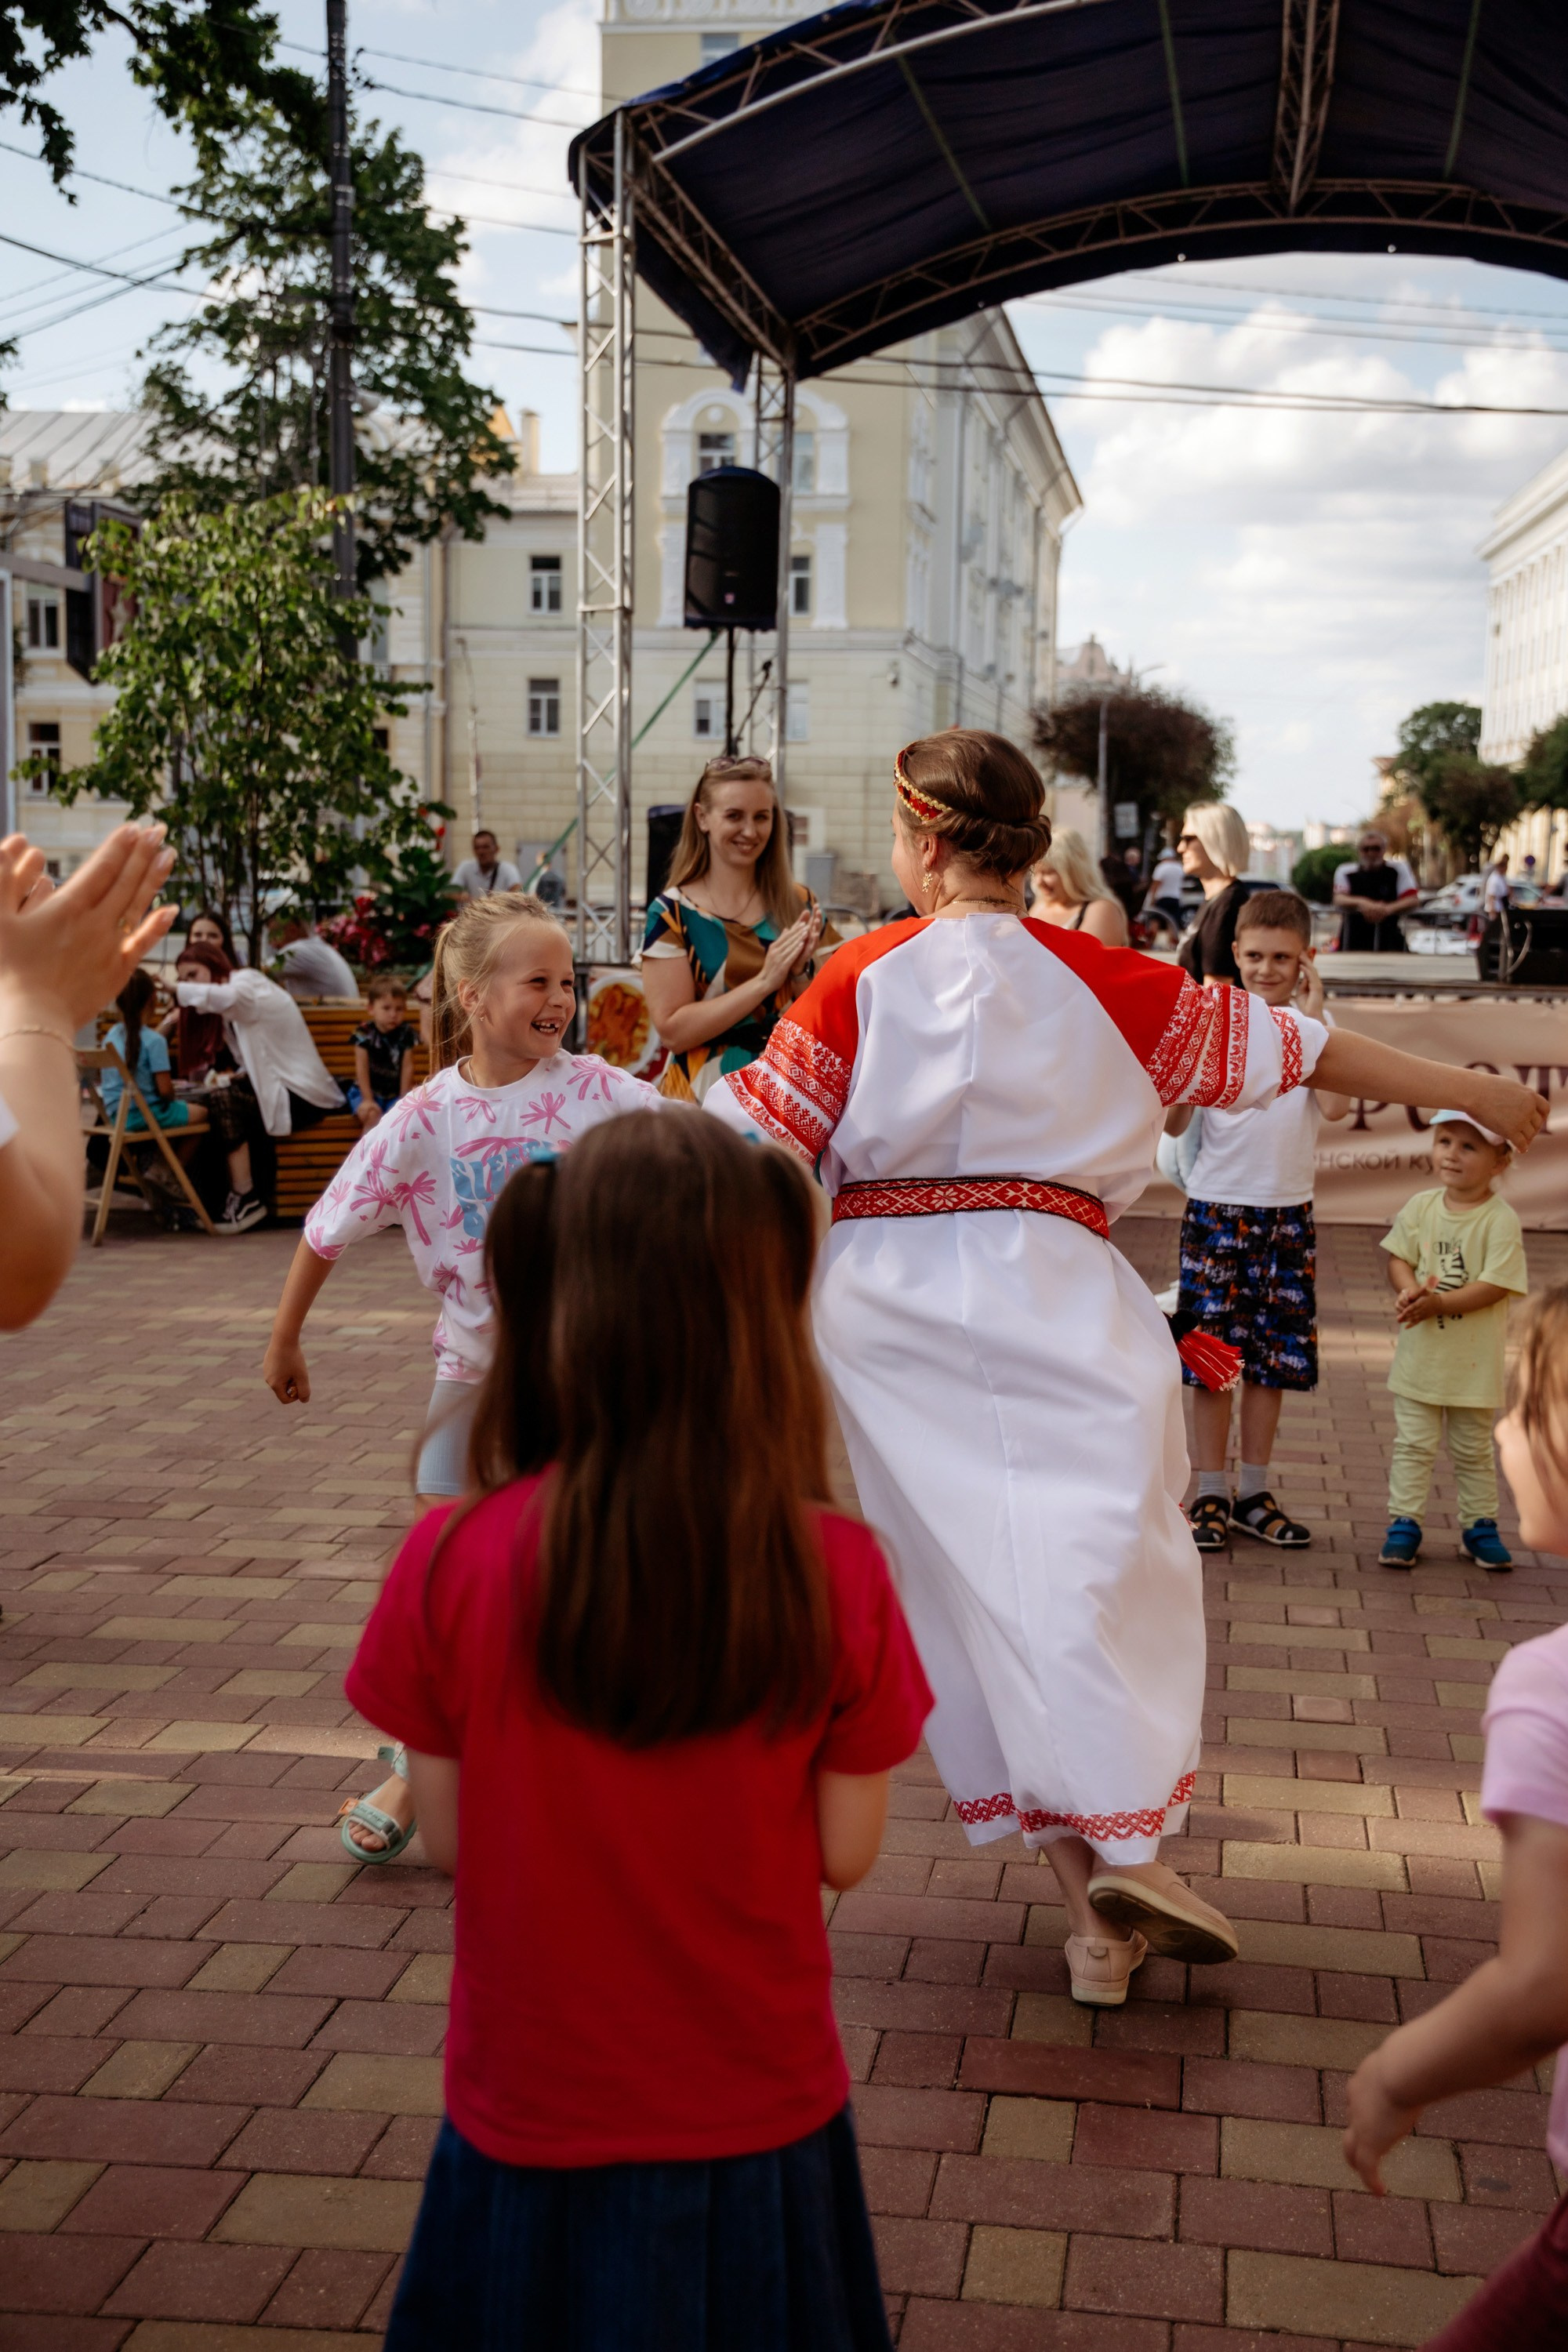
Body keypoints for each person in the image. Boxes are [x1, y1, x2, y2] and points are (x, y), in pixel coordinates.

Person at [706, 729, 1546, 2007]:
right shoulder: (1104, 974)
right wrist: (1473, 1093)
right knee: (1109, 1563)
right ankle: (1122, 1853)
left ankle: (1097, 1906)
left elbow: (759, 1145)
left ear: (923, 841)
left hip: (888, 1308)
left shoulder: (859, 974)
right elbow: (1304, 1049)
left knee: (979, 1593)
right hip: (1058, 1288)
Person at [349, 1114, 927, 2350]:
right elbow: (845, 1851)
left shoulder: (450, 1555)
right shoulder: (837, 1570)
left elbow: (444, 1839)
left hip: (527, 2093)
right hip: (755, 2097)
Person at [263, 892, 662, 1860]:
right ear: (472, 996)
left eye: (569, 981)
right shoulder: (425, 1117)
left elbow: (710, 1156)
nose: (560, 999)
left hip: (588, 1390)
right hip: (472, 1381)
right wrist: (284, 1341)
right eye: (539, 982)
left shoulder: (601, 1094)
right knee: (446, 1590)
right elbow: (330, 1225)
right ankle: (422, 1765)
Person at [1344, 1285, 1568, 2350]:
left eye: (1517, 1406)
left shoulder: (1550, 1689)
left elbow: (1542, 1984)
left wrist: (1398, 2073)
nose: (1503, 1429)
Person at [1164, 891, 1352, 1552]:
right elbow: (1175, 1121)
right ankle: (1209, 1490)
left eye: (1283, 957)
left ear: (1306, 960)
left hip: (1287, 1217)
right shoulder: (1216, 1025)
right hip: (1217, 1212)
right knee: (1214, 1360)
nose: (1268, 969)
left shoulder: (1313, 1030)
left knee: (1272, 1364)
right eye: (1255, 956)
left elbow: (1333, 1108)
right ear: (1235, 956)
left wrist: (1319, 1014)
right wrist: (1188, 1065)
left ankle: (1253, 1491)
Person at [0, 824, 176, 1329]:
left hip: (116, 1127)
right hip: (145, 1123)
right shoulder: (155, 1041)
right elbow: (17, 1266)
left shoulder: (115, 1041)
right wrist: (39, 999)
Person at [1378, 1109, 1528, 1570]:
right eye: (1445, 1141)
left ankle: (1479, 1526)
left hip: (1473, 1368)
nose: (1452, 1154)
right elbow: (1398, 1258)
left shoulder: (1500, 1221)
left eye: (1469, 1146)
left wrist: (1438, 1305)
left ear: (1500, 1162)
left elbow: (1496, 1284)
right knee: (1413, 1445)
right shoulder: (1421, 1207)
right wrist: (1407, 1289)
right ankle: (1404, 1522)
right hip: (1420, 1362)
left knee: (1473, 1449)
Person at [641, 753, 835, 1102]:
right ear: (702, 817)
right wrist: (766, 981)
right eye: (734, 816)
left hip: (786, 1093)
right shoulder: (671, 913)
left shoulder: (800, 903)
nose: (750, 831)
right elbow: (674, 1031)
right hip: (702, 1101)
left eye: (762, 817)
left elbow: (832, 1014)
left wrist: (799, 974)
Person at [172, 939, 346, 1234]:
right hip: (279, 1092)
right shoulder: (229, 1009)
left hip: (302, 1094)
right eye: (183, 979)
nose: (189, 985)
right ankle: (204, 1200)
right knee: (216, 1101)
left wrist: (174, 990)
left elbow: (224, 997)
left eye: (193, 975)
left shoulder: (246, 983)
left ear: (214, 967)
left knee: (224, 1101)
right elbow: (251, 1061)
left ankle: (246, 1197)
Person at [102, 971, 191, 1134]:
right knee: (205, 1113)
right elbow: (165, 1092)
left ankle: (158, 1157)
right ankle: (172, 1161)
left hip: (114, 1116)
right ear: (153, 999)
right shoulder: (154, 1041)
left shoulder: (111, 1036)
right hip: (145, 1115)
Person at [1176, 802, 1254, 986]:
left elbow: (1216, 996)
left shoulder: (1228, 905)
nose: (1180, 848)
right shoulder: (1217, 900)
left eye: (1188, 839)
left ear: (1215, 840)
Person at [1029, 828, 1130, 946]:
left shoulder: (1101, 909)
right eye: (1035, 873)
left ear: (1074, 871)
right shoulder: (1039, 907)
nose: (1039, 881)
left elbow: (1091, 961)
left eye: (1048, 872)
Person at [347, 975, 419, 1129]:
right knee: (372, 1114)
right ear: (371, 1008)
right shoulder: (364, 1033)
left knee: (402, 1119)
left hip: (394, 1094)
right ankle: (368, 1152)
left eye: (399, 1009)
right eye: (386, 1008)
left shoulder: (406, 1033)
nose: (393, 1014)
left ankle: (392, 1153)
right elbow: (362, 1068)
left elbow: (407, 1067)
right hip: (366, 1091)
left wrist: (403, 1099)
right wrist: (367, 1099)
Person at [1332, 829, 1418, 953]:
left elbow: (1412, 899)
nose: (1371, 853)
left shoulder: (1398, 870)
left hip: (1389, 939)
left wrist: (1386, 910)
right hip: (1353, 940)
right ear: (1359, 851)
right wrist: (1364, 903)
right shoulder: (1346, 871)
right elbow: (1339, 898)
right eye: (1366, 849)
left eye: (1376, 849)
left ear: (1384, 849)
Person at [269, 912, 359, 1002]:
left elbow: (257, 975)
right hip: (344, 1013)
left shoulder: (299, 951)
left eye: (274, 936)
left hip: (330, 1015)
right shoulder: (318, 948)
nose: (272, 944)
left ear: (293, 931)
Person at [452, 828, 521, 899]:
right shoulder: (465, 867)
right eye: (477, 848)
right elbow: (450, 892)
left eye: (486, 847)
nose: (481, 852)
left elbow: (517, 892)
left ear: (497, 849)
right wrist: (470, 900)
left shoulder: (508, 869)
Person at [1145, 839, 1187, 939]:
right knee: (1172, 921)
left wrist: (1151, 899)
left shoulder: (1161, 867)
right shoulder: (1180, 867)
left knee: (1155, 920)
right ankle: (1172, 942)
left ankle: (1150, 941)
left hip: (1162, 897)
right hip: (1176, 897)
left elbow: (1156, 884)